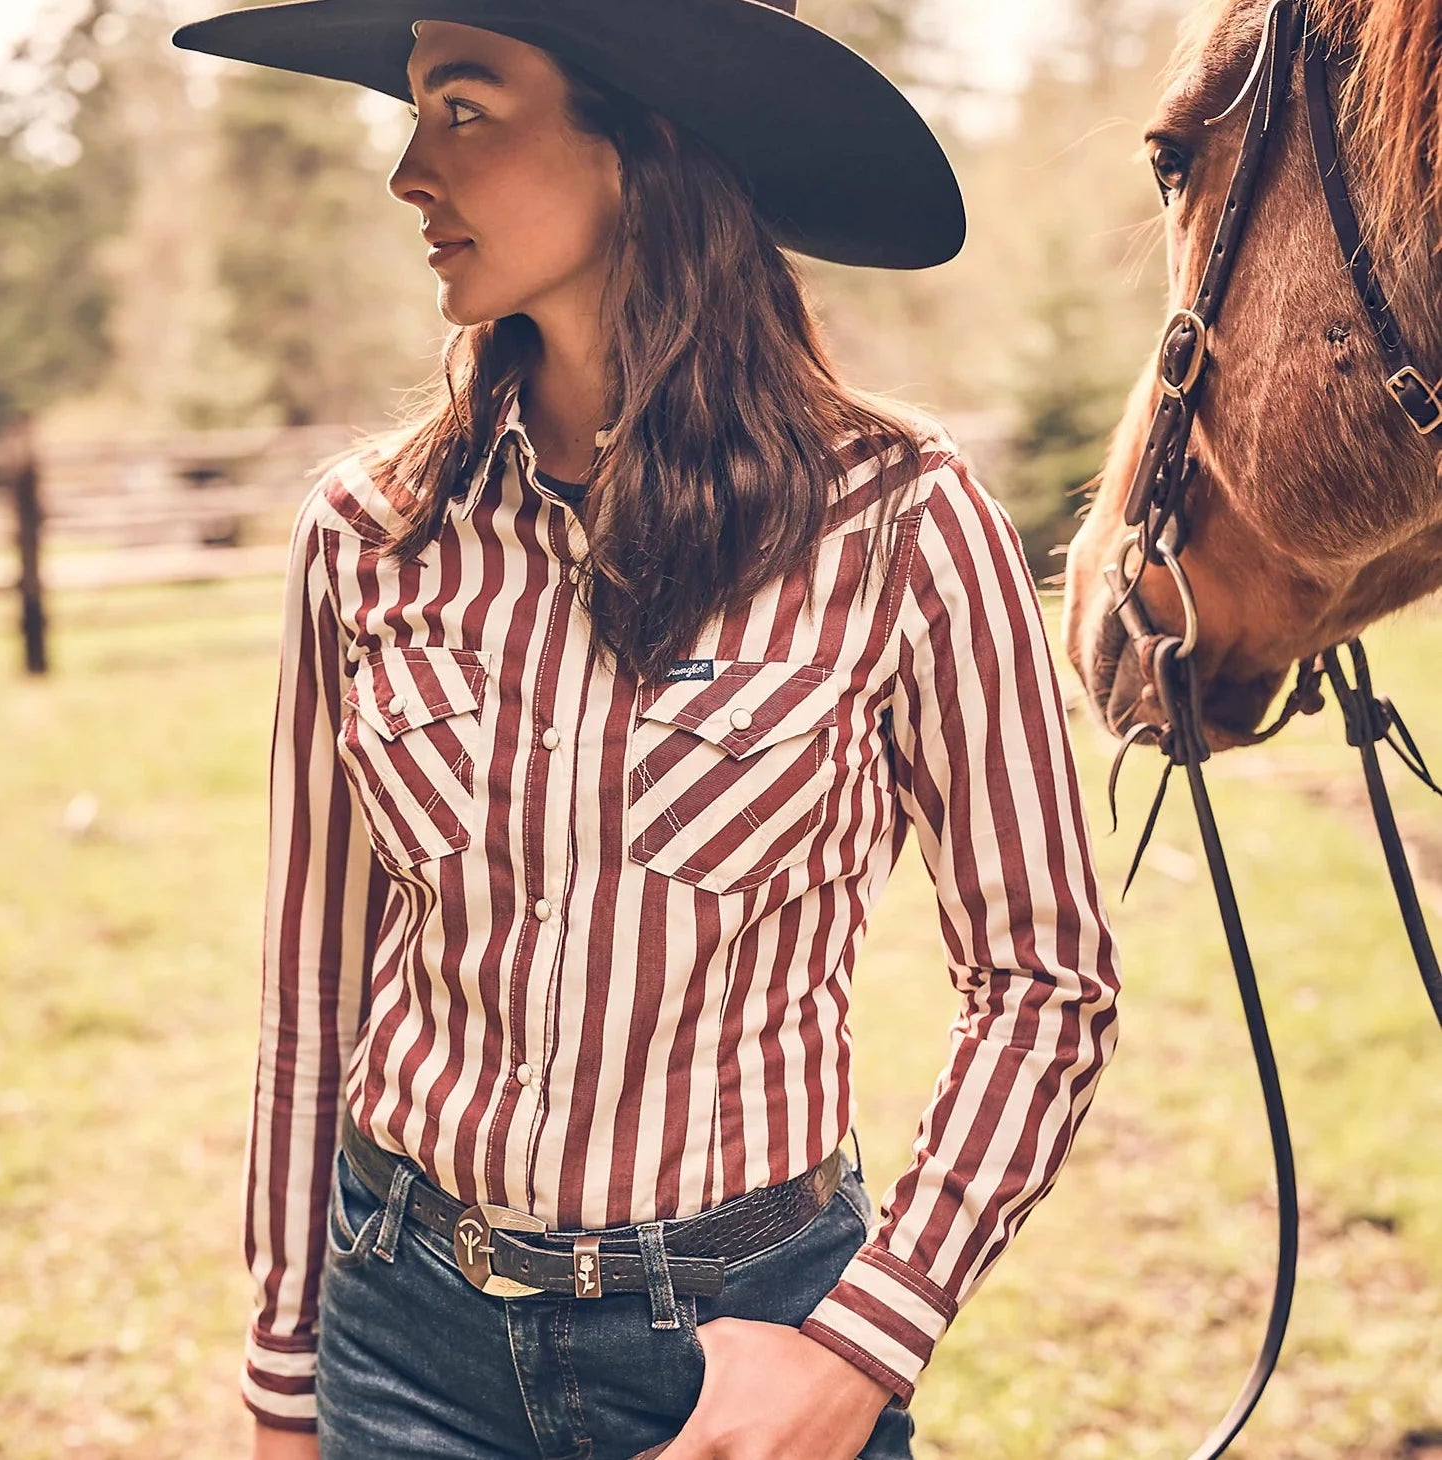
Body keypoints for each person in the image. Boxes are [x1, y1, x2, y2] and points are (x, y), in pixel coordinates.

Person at [172, 3, 1122, 1458]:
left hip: (747, 1343)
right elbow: (315, 993)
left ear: (650, 143)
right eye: (416, 113)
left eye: (464, 107)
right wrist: (288, 1377)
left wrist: (861, 1352)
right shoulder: (368, 535)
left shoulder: (904, 522)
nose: (408, 172)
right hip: (403, 1333)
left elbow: (1047, 981)